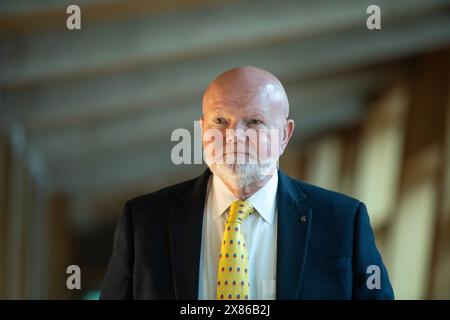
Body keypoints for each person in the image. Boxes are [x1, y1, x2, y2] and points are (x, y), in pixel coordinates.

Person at [100, 66, 394, 300]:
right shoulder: (143, 222)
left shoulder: (342, 221)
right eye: (219, 122)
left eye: (254, 122)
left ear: (284, 135)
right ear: (202, 130)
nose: (234, 136)